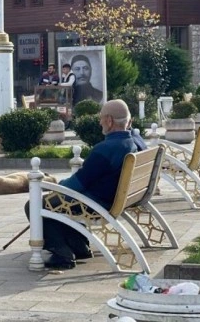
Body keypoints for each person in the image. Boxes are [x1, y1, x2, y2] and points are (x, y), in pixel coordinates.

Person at [24, 99, 140, 269]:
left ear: (109, 120)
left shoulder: (106, 149)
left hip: (96, 203)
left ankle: (62, 253)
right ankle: (79, 245)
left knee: (36, 204)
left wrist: (58, 185)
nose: (100, 122)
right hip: (112, 198)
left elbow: (76, 185)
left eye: (101, 118)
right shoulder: (133, 143)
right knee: (57, 202)